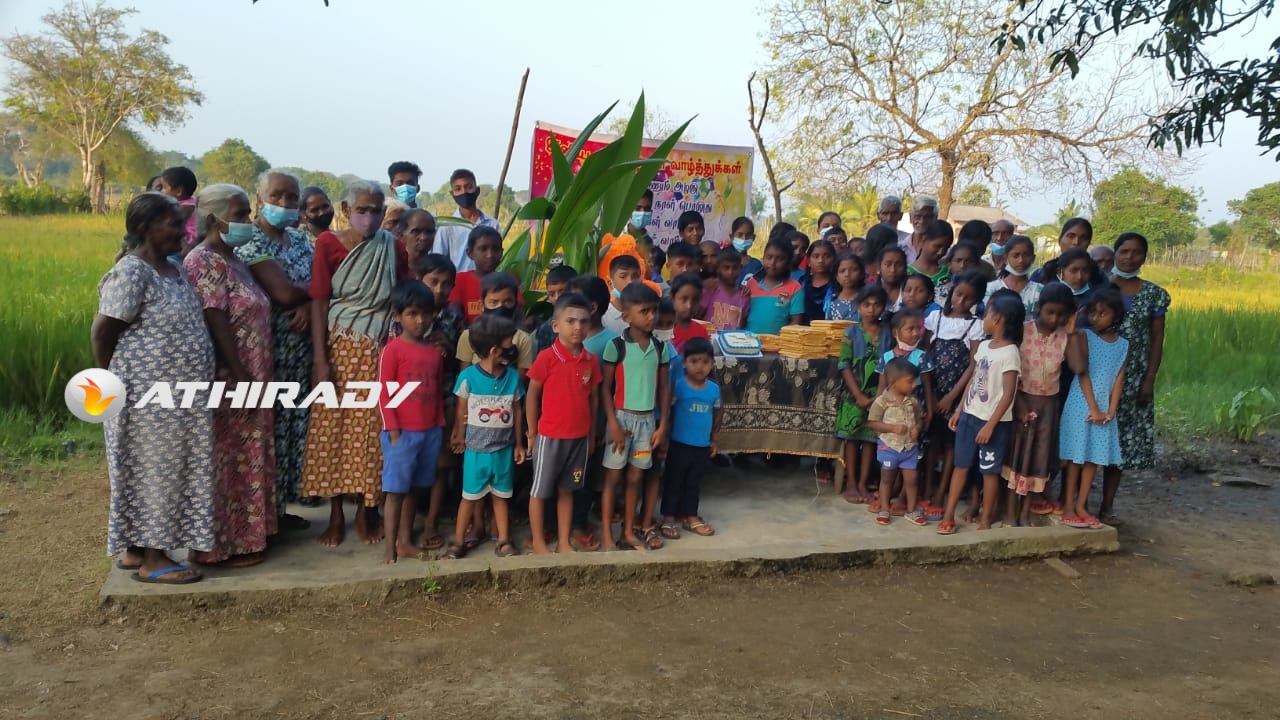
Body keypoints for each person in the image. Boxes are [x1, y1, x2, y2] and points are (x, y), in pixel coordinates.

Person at [93, 192, 214, 585]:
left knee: (155, 469)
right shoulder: (133, 272)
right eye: (174, 223)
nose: (183, 230)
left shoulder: (173, 268)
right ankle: (155, 559)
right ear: (145, 228)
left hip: (177, 399)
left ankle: (134, 550)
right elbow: (103, 331)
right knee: (156, 472)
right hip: (147, 399)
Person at [303, 178, 409, 547]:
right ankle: (335, 515)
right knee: (331, 430)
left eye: (376, 211)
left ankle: (368, 510)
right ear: (347, 210)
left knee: (372, 433)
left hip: (380, 347)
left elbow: (403, 299)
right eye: (362, 210)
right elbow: (319, 300)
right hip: (340, 346)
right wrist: (320, 359)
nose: (369, 217)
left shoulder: (392, 247)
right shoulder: (328, 244)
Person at [184, 183, 276, 568]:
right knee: (229, 458)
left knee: (248, 453)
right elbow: (214, 317)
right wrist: (239, 375)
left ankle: (249, 537)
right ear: (213, 219)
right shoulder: (204, 261)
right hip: (231, 375)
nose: (247, 221)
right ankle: (219, 545)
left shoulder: (234, 258)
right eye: (239, 215)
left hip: (254, 370)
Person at [236, 169, 314, 526]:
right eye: (277, 196)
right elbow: (283, 293)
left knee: (292, 429)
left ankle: (280, 509)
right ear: (260, 199)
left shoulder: (299, 240)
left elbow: (324, 282)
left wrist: (308, 303)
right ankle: (265, 516)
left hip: (301, 351)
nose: (284, 203)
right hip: (267, 353)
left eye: (291, 197)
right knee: (268, 431)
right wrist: (310, 295)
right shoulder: (250, 241)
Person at [937, 291, 1024, 534]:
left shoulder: (1011, 353)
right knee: (961, 466)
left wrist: (990, 426)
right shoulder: (984, 346)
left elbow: (1008, 394)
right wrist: (960, 409)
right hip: (970, 416)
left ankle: (986, 519)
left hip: (993, 423)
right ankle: (948, 515)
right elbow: (974, 379)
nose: (983, 319)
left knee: (990, 471)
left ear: (997, 318)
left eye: (986, 314)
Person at [443, 314, 525, 559]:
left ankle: (504, 540)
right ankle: (458, 541)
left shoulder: (512, 378)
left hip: (504, 450)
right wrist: (459, 436)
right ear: (494, 350)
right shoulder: (467, 378)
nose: (512, 349)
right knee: (469, 497)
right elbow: (461, 410)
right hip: (475, 451)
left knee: (501, 496)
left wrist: (519, 443)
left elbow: (517, 410)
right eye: (509, 344)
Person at [1102, 232, 1170, 524]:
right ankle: (1076, 503)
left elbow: (1156, 340)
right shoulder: (1100, 287)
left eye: (1137, 252)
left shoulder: (1154, 294)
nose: (1130, 258)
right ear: (1115, 253)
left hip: (1133, 377)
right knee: (1088, 436)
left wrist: (1149, 379)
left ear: (1145, 257)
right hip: (1097, 375)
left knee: (1121, 442)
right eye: (1124, 251)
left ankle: (1107, 505)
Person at [525, 293, 601, 555]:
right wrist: (532, 433)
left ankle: (564, 542)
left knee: (568, 491)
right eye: (570, 321)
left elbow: (593, 400)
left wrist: (591, 435)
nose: (578, 327)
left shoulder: (591, 360)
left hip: (579, 438)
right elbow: (532, 395)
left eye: (583, 321)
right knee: (540, 491)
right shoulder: (547, 357)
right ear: (556, 325)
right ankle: (538, 542)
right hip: (550, 437)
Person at [600, 282, 671, 551]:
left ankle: (628, 532)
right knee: (612, 478)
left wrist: (662, 425)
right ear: (627, 316)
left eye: (654, 310)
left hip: (647, 423)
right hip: (621, 420)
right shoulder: (616, 347)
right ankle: (607, 533)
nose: (652, 317)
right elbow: (606, 389)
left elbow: (664, 389)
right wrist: (613, 425)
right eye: (645, 311)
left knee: (635, 478)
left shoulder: (660, 348)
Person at [378, 281, 445, 563]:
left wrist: (439, 425)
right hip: (402, 433)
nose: (420, 321)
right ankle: (389, 549)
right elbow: (384, 392)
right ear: (397, 315)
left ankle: (405, 541)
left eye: (425, 314)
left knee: (415, 488)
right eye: (412, 314)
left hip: (429, 431)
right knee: (395, 491)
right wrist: (393, 430)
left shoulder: (434, 353)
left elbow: (437, 391)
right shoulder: (393, 350)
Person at [1002, 283, 1074, 525]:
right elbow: (1010, 368)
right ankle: (1010, 511)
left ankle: (1025, 511)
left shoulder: (1065, 337)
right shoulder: (1022, 331)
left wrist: (1072, 331)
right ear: (1039, 307)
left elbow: (1078, 366)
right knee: (1016, 456)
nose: (1054, 319)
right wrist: (1018, 403)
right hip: (1020, 400)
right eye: (1050, 312)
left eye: (1061, 315)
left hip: (1048, 407)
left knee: (1038, 458)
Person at [1060, 287, 1130, 530]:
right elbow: (1083, 374)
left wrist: (1111, 411)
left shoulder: (1123, 345)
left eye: (1102, 314)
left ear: (1116, 315)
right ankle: (1068, 505)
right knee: (1076, 458)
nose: (1095, 318)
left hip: (1104, 410)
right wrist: (1094, 408)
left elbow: (1119, 378)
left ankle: (1081, 505)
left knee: (1094, 459)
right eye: (1092, 313)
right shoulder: (1084, 336)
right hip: (1082, 404)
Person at [923, 272, 986, 515]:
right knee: (932, 441)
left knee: (951, 443)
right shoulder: (935, 318)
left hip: (956, 395)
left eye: (968, 298)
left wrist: (952, 397)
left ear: (976, 300)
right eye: (958, 294)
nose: (961, 301)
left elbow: (973, 364)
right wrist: (930, 393)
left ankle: (942, 492)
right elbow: (925, 355)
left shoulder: (975, 325)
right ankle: (927, 488)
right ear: (951, 292)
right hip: (932, 389)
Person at [416, 253, 463, 551]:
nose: (439, 290)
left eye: (446, 284)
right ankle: (407, 523)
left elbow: (463, 360)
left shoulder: (453, 317)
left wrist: (450, 349)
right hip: (412, 401)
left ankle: (432, 521)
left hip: (444, 398)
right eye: (433, 282)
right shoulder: (406, 314)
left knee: (442, 466)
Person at [568, 274, 617, 550]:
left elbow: (609, 390)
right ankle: (555, 523)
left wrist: (601, 428)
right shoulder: (565, 338)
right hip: (563, 424)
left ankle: (579, 523)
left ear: (593, 308)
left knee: (583, 477)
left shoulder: (611, 343)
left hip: (592, 426)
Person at [660, 336, 721, 538]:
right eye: (694, 361)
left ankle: (691, 517)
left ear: (712, 364)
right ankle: (668, 519)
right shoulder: (678, 386)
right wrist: (665, 438)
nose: (700, 367)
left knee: (694, 483)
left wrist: (714, 438)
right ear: (684, 363)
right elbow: (668, 412)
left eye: (705, 362)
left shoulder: (713, 389)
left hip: (701, 446)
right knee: (673, 481)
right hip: (678, 444)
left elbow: (717, 413)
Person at [836, 285, 889, 502]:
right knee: (851, 438)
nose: (871, 309)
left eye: (877, 305)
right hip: (853, 394)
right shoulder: (851, 332)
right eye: (866, 304)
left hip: (879, 395)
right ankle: (850, 482)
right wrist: (858, 395)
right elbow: (844, 365)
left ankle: (862, 482)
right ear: (859, 306)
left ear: (883, 307)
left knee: (870, 440)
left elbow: (889, 364)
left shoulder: (888, 333)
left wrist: (879, 396)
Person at [868, 358, 928, 527]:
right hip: (889, 446)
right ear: (894, 382)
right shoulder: (882, 401)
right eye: (910, 381)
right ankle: (884, 508)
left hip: (909, 447)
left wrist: (917, 428)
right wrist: (891, 428)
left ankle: (911, 510)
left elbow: (920, 418)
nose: (914, 385)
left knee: (912, 479)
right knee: (887, 479)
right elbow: (872, 422)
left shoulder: (913, 401)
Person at [456, 272, 536, 381]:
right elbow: (465, 376)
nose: (500, 307)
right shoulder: (468, 336)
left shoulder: (522, 339)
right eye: (493, 302)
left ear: (515, 304)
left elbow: (520, 381)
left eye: (507, 302)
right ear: (482, 305)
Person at [435, 168, 498, 272]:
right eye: (458, 189)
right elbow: (439, 260)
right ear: (452, 194)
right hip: (457, 280)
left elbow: (496, 255)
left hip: (486, 279)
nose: (464, 192)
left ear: (477, 191)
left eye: (469, 187)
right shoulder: (447, 227)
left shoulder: (491, 223)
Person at [448, 225, 506, 323]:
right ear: (470, 253)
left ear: (501, 252)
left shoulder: (507, 281)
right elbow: (454, 313)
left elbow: (518, 316)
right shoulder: (460, 280)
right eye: (483, 249)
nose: (490, 255)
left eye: (495, 249)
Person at [744, 239, 804, 334]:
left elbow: (796, 321)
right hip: (750, 340)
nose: (772, 263)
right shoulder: (751, 283)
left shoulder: (794, 288)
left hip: (778, 341)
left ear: (788, 262)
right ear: (763, 258)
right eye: (769, 257)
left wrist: (780, 336)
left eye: (780, 259)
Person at [985, 234, 1043, 316]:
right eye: (1016, 256)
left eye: (1026, 255)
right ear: (1006, 259)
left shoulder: (1040, 291)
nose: (1021, 260)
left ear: (1033, 258)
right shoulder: (991, 289)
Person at [1031, 218, 1093, 283]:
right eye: (1071, 236)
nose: (1076, 242)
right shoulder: (1040, 275)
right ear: (1060, 240)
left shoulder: (1096, 277)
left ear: (1089, 243)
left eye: (1083, 238)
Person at [534, 264, 579, 353]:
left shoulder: (589, 320)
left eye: (562, 292)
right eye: (552, 294)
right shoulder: (547, 328)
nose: (557, 298)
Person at [703, 247, 750, 331]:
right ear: (718, 268)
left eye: (735, 268)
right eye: (726, 268)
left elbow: (743, 324)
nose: (730, 272)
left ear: (740, 268)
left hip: (732, 339)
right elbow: (698, 315)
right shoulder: (711, 289)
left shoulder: (744, 295)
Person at [669, 272, 710, 354]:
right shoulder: (662, 329)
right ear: (672, 299)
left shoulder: (701, 332)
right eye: (684, 299)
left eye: (695, 300)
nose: (689, 306)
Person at [159, 166, 199, 250]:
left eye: (164, 187)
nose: (161, 191)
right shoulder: (186, 202)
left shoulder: (187, 206)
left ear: (178, 191)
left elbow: (169, 221)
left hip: (186, 242)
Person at [603, 254, 642, 334]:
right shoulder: (602, 317)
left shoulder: (649, 313)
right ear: (610, 283)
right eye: (623, 277)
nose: (630, 281)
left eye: (635, 276)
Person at [799, 239, 836, 324]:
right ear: (808, 261)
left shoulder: (838, 284)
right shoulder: (802, 282)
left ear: (834, 259)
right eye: (816, 256)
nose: (821, 260)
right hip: (803, 330)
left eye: (826, 256)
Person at [910, 220, 953, 290]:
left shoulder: (949, 274)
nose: (941, 252)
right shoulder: (905, 272)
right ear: (924, 240)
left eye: (946, 248)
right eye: (937, 246)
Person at [827, 253, 866, 321]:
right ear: (836, 276)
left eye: (853, 270)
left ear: (861, 273)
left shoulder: (867, 298)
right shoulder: (831, 301)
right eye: (842, 271)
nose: (847, 274)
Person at [900, 195, 938, 264]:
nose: (921, 221)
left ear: (935, 219)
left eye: (927, 217)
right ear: (910, 218)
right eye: (917, 216)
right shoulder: (900, 248)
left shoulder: (942, 251)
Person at [400, 208, 437, 274]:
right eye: (416, 231)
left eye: (429, 232)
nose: (423, 237)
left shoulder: (439, 271)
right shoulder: (394, 269)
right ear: (402, 235)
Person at [729, 216, 761, 284]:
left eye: (748, 235)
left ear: (753, 238)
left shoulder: (757, 265)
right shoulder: (723, 262)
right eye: (740, 235)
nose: (744, 239)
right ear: (731, 237)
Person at [875, 245, 909, 311]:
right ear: (879, 267)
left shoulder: (911, 293)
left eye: (899, 265)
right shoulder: (870, 293)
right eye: (888, 265)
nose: (893, 270)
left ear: (905, 268)